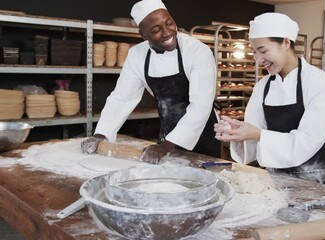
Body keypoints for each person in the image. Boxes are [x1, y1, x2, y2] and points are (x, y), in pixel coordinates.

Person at [81, 0, 220, 162]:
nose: (167, 32)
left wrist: (165, 146)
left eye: (169, 23)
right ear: (143, 34)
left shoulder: (197, 51)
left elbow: (200, 106)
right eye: (156, 29)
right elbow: (122, 97)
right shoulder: (137, 55)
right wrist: (101, 134)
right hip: (167, 134)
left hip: (203, 136)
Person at [214, 13, 325, 183]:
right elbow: (254, 133)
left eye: (263, 50)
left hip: (314, 182)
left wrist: (257, 134)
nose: (258, 59)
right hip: (276, 180)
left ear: (286, 43)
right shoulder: (263, 86)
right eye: (254, 52)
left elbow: (307, 142)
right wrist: (237, 131)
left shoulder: (318, 82)